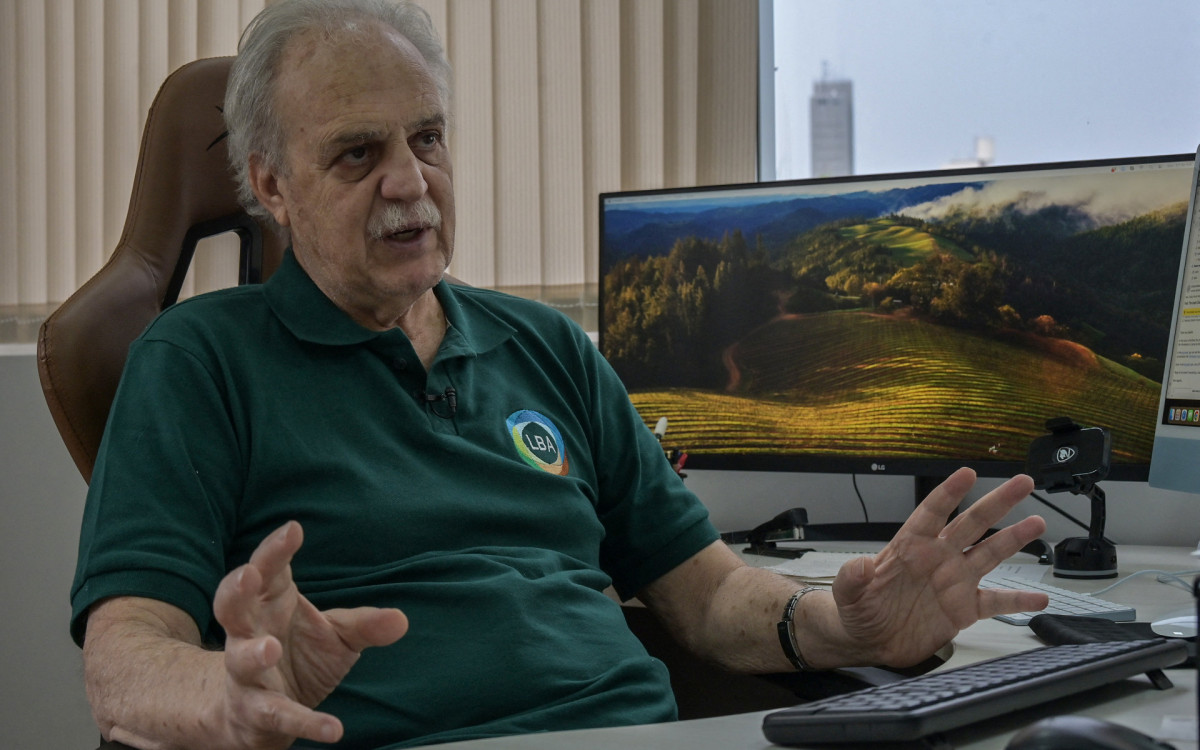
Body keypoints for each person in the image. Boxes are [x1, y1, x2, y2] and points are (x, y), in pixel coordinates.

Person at [69, 1, 1049, 748]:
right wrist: (231, 696)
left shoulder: (547, 346)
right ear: (272, 184)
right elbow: (124, 660)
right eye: (358, 154)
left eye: (428, 138)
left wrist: (842, 625)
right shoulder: (198, 361)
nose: (410, 182)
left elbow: (705, 600)